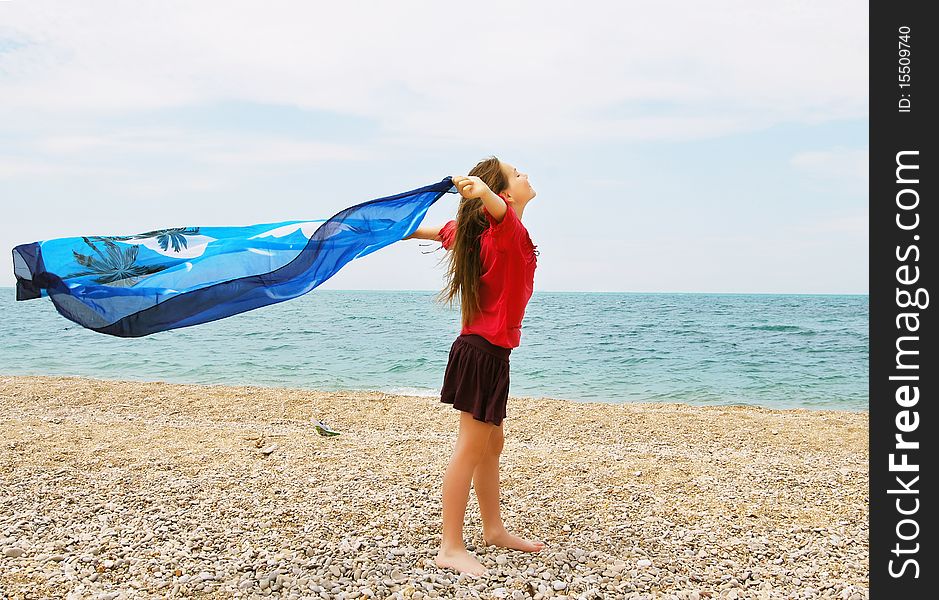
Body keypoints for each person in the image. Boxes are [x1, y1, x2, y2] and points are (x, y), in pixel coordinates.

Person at [405, 156, 544, 576]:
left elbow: (426, 231)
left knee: (491, 444)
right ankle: (450, 546)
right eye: (515, 173)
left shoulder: (474, 233)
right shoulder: (505, 230)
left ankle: (493, 528)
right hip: (482, 353)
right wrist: (482, 193)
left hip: (488, 353)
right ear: (502, 194)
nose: (524, 173)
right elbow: (497, 211)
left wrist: (395, 229)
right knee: (470, 447)